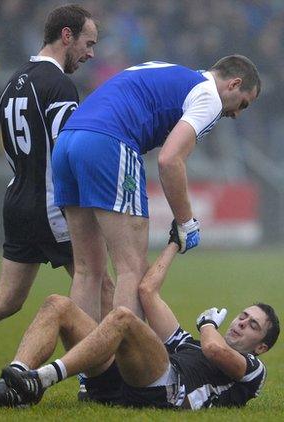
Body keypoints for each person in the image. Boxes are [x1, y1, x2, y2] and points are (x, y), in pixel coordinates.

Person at [0, 222, 279, 410]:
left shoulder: (253, 370)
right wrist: (176, 242)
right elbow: (148, 291)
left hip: (168, 390)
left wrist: (208, 323)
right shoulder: (189, 344)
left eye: (252, 325)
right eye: (243, 316)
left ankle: (42, 379)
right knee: (57, 304)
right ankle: (16, 383)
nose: (241, 322)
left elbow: (214, 349)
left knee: (122, 318)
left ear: (261, 346)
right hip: (129, 380)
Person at [51, 54, 261, 320]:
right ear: (233, 84)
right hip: (108, 142)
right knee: (133, 269)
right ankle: (130, 360)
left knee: (87, 270)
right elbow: (170, 160)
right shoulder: (209, 96)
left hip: (67, 143)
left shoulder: (173, 70)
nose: (237, 114)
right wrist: (186, 221)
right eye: (243, 103)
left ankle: (81, 360)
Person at [0, 4, 113, 335]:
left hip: (18, 199)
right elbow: (69, 151)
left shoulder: (13, 82)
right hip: (53, 203)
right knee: (100, 285)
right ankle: (97, 379)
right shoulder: (59, 86)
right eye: (89, 43)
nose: (91, 54)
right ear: (67, 36)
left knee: (6, 299)